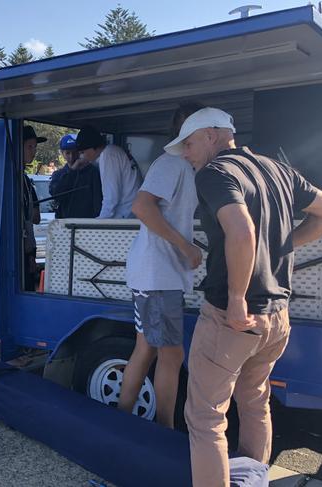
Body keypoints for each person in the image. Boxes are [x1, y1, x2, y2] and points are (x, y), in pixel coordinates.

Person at [164, 107, 322, 486]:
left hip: (232, 317)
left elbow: (241, 232)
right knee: (255, 403)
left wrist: (238, 296)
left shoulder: (215, 173)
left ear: (210, 135)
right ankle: (254, 480)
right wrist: (282, 248)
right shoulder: (278, 170)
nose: (187, 154)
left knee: (205, 418)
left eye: (188, 144)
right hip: (277, 318)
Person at [118, 103, 205, 428]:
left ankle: (123, 424)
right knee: (170, 355)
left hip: (157, 274)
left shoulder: (184, 167)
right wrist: (185, 246)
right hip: (158, 274)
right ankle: (163, 431)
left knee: (148, 350)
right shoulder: (172, 163)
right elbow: (141, 207)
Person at [74, 126, 141, 219]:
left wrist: (101, 221)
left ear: (93, 147)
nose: (82, 156)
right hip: (131, 211)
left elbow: (111, 197)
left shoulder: (108, 155)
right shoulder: (114, 151)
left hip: (124, 215)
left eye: (82, 152)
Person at [49, 133, 102, 219]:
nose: (72, 156)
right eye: (68, 153)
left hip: (87, 224)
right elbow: (56, 194)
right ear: (62, 154)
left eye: (75, 152)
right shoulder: (58, 174)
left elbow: (98, 201)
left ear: (81, 152)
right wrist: (72, 170)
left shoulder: (92, 172)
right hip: (65, 224)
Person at [22, 125, 45, 291]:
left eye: (35, 147)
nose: (33, 151)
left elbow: (35, 218)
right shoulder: (11, 178)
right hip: (19, 254)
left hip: (29, 250)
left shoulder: (26, 181)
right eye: (30, 146)